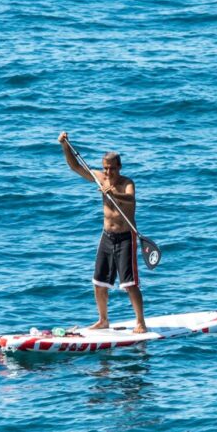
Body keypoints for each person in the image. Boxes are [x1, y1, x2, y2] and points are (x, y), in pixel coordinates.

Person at [58, 132, 147, 332]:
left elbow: (130, 200)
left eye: (112, 169)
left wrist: (114, 193)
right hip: (106, 237)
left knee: (129, 284)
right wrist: (64, 145)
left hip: (126, 237)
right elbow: (76, 167)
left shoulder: (127, 183)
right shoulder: (100, 178)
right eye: (106, 168)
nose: (108, 172)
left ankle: (141, 322)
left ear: (120, 167)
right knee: (99, 282)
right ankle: (103, 320)